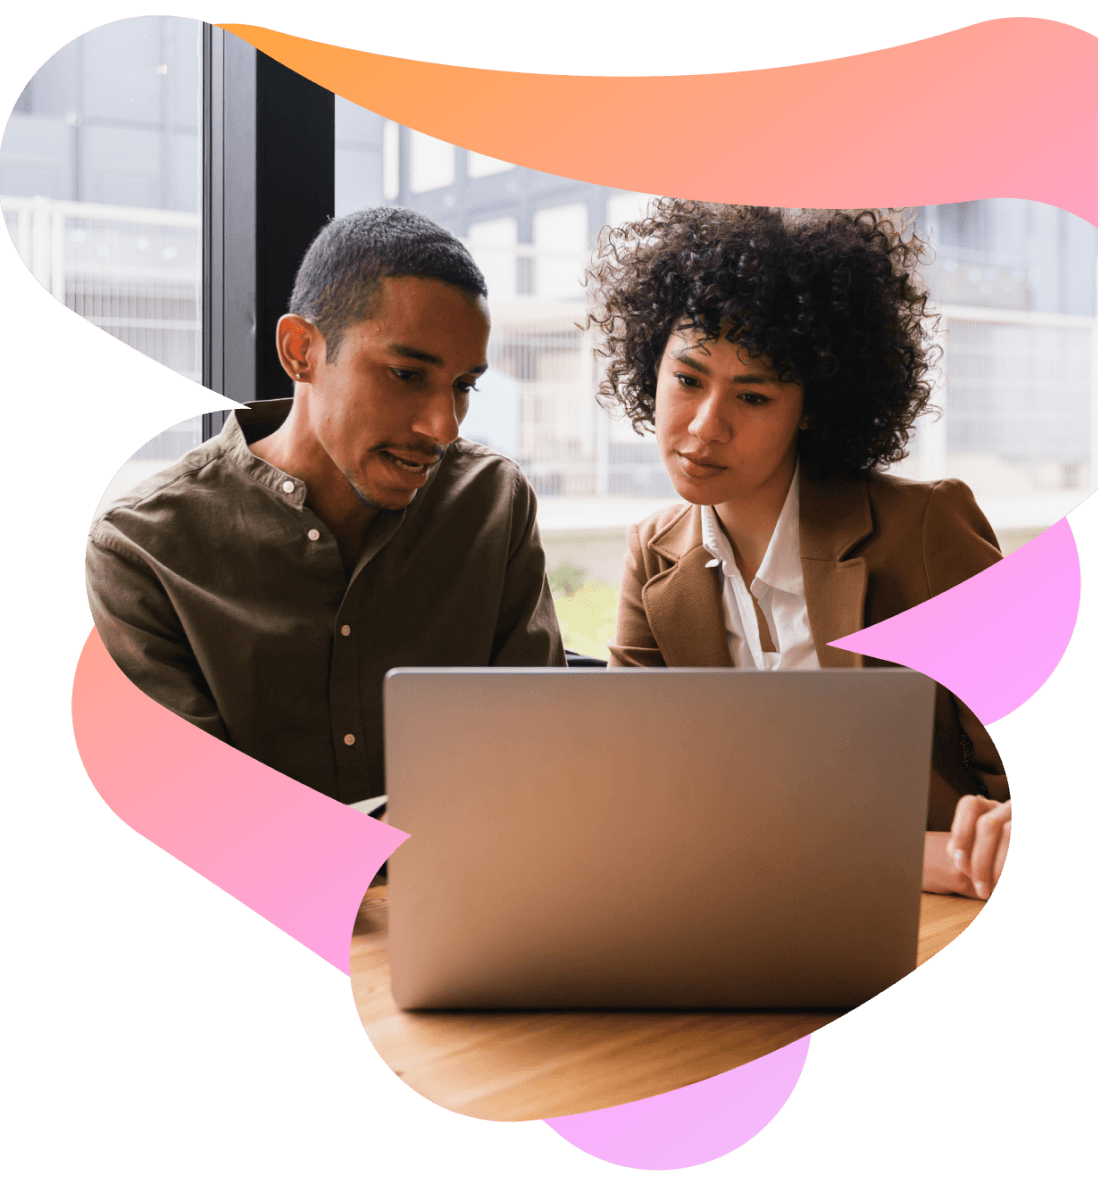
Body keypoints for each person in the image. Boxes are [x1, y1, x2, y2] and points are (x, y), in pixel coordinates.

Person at [588, 200, 1010, 900]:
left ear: (810, 408)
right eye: (687, 380)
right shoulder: (655, 556)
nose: (705, 427)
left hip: (941, 917)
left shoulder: (925, 530)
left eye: (752, 397)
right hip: (750, 908)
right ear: (650, 368)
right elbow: (629, 793)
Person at [86, 206, 566, 805]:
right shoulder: (140, 549)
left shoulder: (492, 501)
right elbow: (190, 817)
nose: (443, 427)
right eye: (406, 374)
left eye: (463, 386)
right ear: (300, 351)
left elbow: (539, 756)